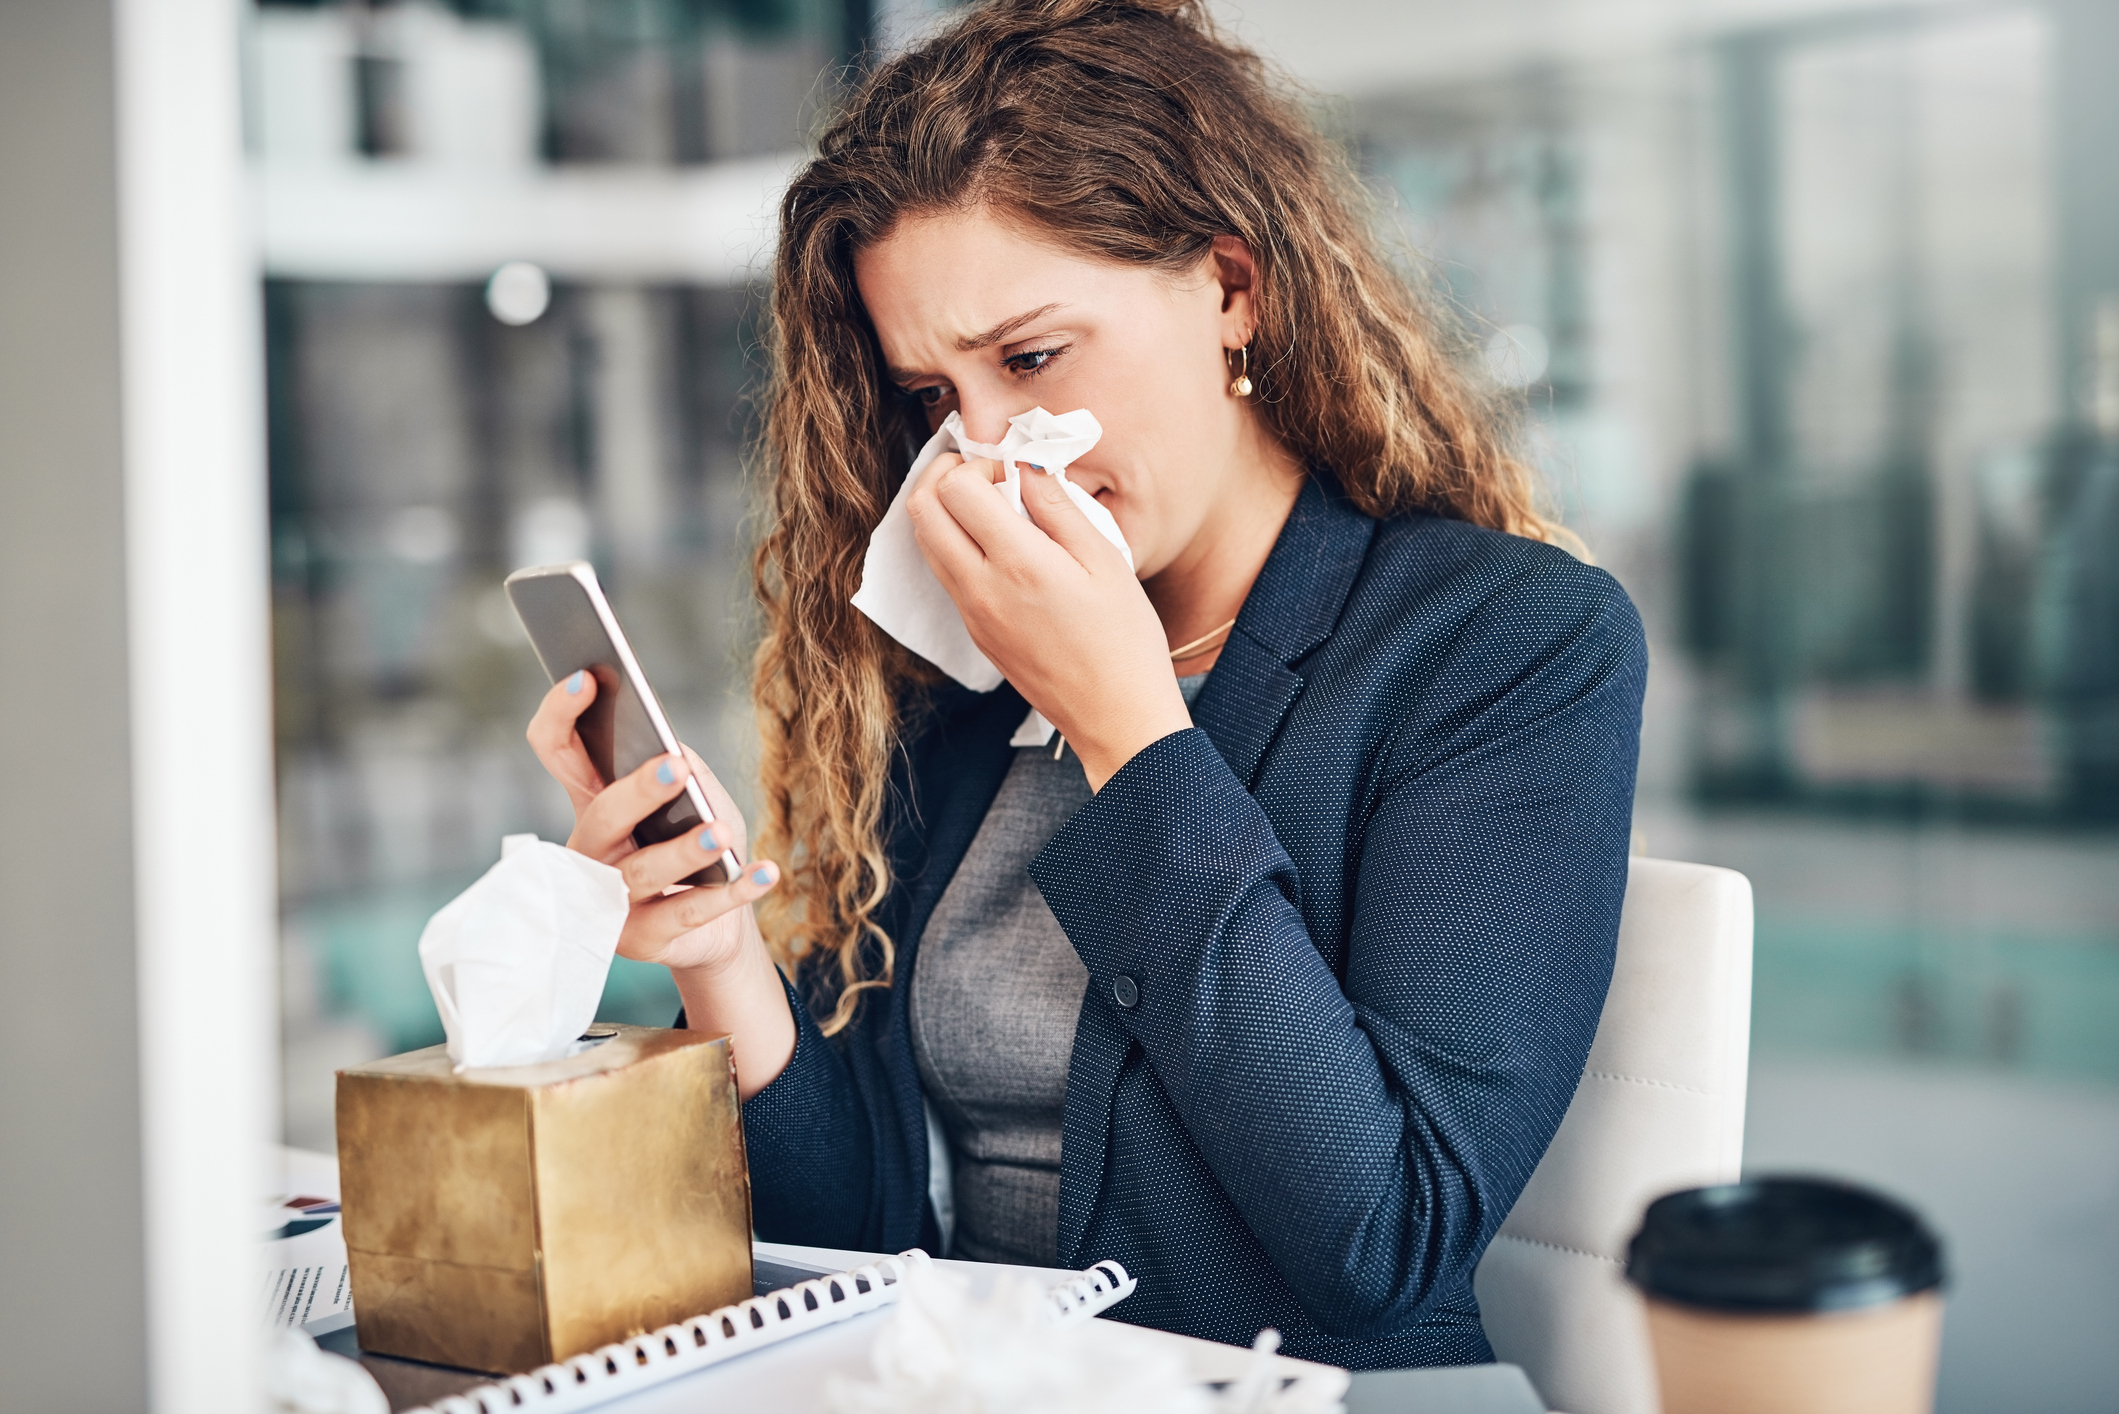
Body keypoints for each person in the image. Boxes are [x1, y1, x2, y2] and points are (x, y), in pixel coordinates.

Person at [527, 0, 1645, 1371]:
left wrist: (1130, 730)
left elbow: (1384, 1236)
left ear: (1232, 290)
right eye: (934, 397)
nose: (988, 452)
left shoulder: (1505, 644)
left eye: (1033, 358)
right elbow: (859, 1228)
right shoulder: (960, 666)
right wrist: (717, 956)